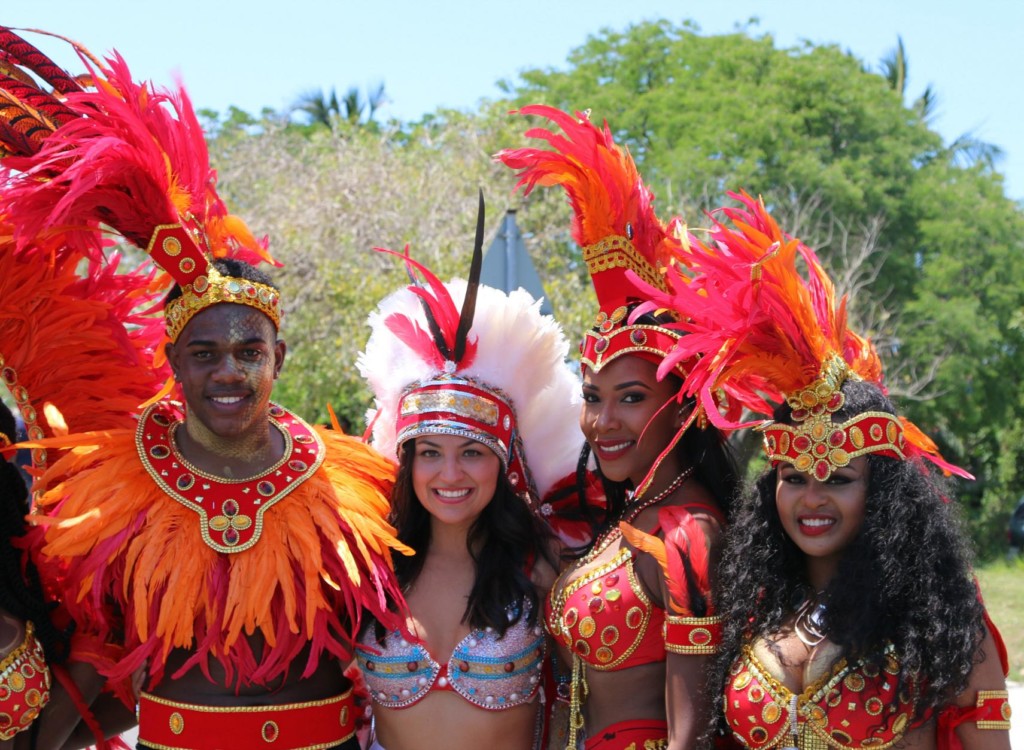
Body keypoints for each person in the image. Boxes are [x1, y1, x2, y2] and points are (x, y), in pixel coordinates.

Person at [0, 28, 408, 750]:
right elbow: (101, 645)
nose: (229, 371)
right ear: (174, 362)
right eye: (206, 352)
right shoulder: (115, 492)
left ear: (279, 356)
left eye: (249, 351)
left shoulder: (354, 489)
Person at [635, 192, 1011, 749]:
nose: (812, 499)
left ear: (882, 494)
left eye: (838, 479)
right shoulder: (750, 604)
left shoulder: (937, 617)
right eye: (793, 478)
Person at [498, 106, 740, 750]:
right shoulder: (636, 516)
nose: (602, 422)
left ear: (686, 403)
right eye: (593, 396)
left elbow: (692, 735)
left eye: (631, 398)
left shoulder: (690, 535)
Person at [354, 200, 585, 750]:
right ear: (406, 460)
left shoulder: (543, 563)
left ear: (505, 463)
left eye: (473, 453)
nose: (449, 473)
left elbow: (585, 698)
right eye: (429, 453)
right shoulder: (371, 567)